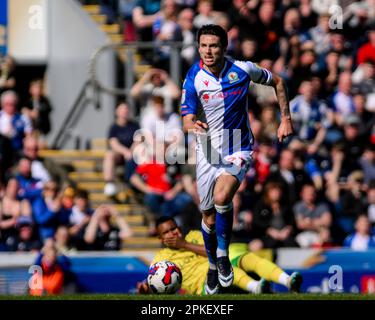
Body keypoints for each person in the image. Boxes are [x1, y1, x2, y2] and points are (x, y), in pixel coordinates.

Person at [181, 24, 294, 294]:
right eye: (204, 45)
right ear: (198, 47)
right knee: (207, 217)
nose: (208, 51)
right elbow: (185, 116)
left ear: (224, 47)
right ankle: (212, 264)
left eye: (214, 45)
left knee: (222, 198)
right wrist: (193, 125)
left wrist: (285, 119)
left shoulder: (242, 70)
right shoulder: (193, 76)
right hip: (207, 151)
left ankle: (222, 255)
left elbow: (278, 81)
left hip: (238, 147)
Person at [137, 216, 302, 295]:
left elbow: (218, 252)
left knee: (243, 257)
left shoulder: (193, 235)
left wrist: (185, 245)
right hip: (205, 287)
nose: (173, 233)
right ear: (160, 238)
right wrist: (145, 290)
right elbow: (157, 281)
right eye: (166, 232)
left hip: (220, 267)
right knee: (222, 271)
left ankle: (287, 280)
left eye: (174, 228)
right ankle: (255, 287)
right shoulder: (160, 259)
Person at [103, 102, 140, 196]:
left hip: (134, 154)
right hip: (120, 154)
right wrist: (125, 152)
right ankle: (109, 183)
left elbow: (139, 140)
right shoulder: (113, 127)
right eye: (122, 109)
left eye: (126, 109)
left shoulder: (134, 125)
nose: (124, 111)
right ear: (117, 111)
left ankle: (133, 184)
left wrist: (131, 151)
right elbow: (113, 143)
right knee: (109, 154)